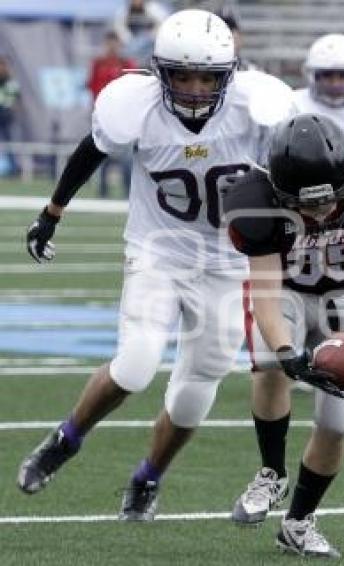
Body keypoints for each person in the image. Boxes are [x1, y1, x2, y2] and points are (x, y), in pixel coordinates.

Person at [17, 9, 296, 520]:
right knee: (137, 363)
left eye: (207, 77)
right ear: (159, 71)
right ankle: (66, 437)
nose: (193, 88)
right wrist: (51, 212)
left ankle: (148, 478)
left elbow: (295, 168)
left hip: (228, 263)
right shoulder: (135, 104)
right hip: (158, 250)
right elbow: (91, 152)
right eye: (181, 75)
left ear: (228, 74)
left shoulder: (258, 105)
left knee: (195, 393)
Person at [224, 114, 344, 558]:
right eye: (306, 205)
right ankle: (272, 472)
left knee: (339, 420)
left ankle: (299, 522)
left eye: (331, 201)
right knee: (271, 366)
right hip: (286, 291)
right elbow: (266, 297)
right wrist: (289, 352)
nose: (322, 213)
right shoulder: (255, 201)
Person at [87, 30, 135, 198]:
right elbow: (92, 87)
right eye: (109, 43)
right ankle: (103, 193)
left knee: (126, 156)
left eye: (115, 43)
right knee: (102, 155)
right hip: (102, 116)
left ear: (120, 45)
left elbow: (133, 89)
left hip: (122, 117)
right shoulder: (98, 64)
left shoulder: (127, 63)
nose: (112, 47)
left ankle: (128, 193)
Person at [0, 55, 20, 177]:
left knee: (9, 143)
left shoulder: (11, 83)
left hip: (6, 116)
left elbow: (13, 100)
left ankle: (13, 168)